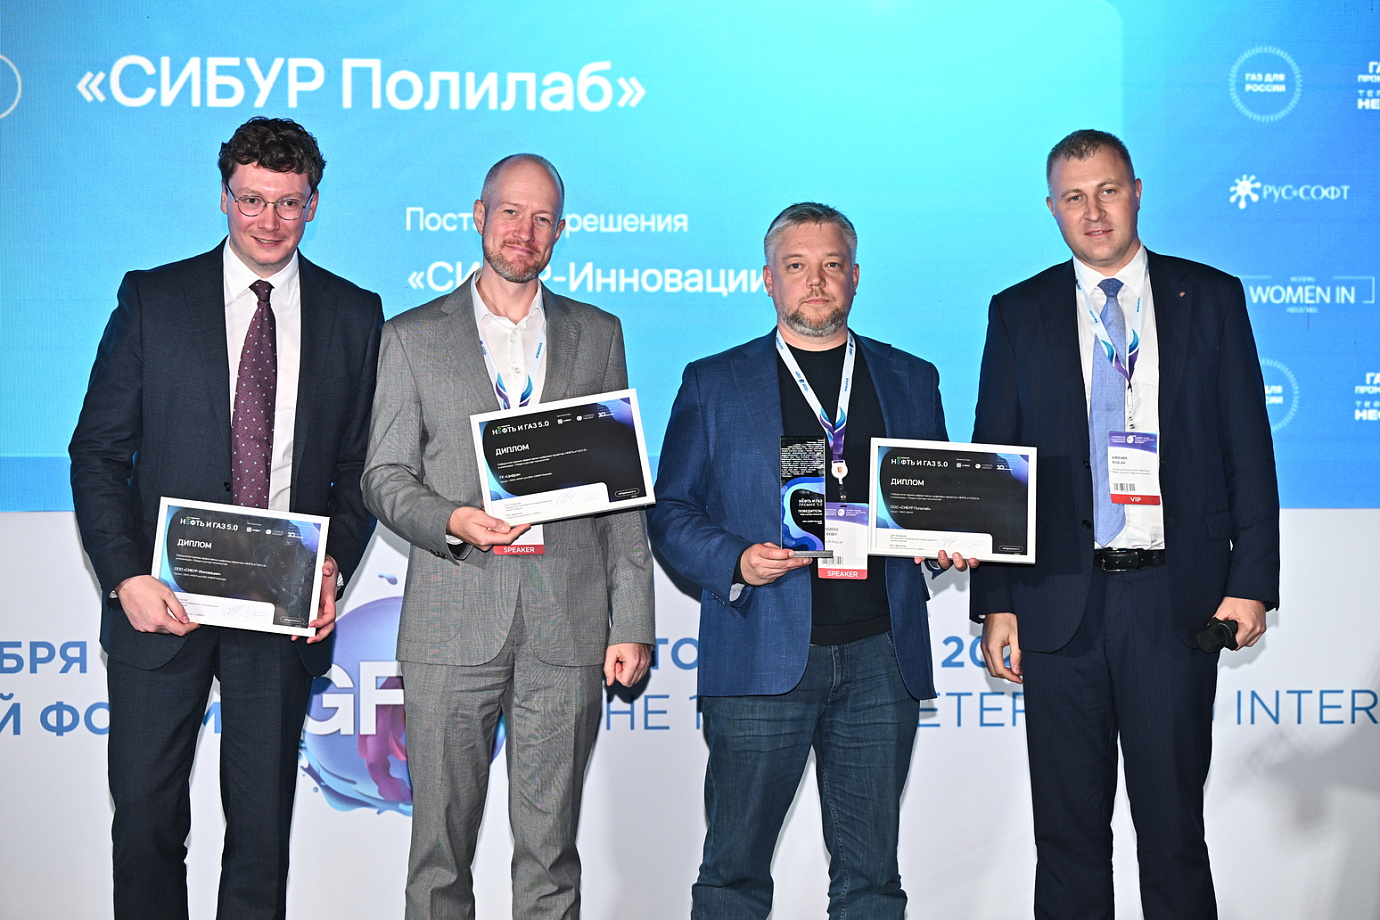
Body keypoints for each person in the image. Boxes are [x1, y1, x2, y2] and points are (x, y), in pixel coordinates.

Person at [69, 116, 383, 920]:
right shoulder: (154, 299)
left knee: (261, 836)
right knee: (145, 822)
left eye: (288, 203)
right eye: (252, 200)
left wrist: (331, 567)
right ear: (223, 198)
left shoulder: (354, 315)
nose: (269, 221)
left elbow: (359, 471)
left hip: (280, 609)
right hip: (161, 605)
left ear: (314, 204)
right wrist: (125, 578)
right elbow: (98, 452)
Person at [971, 129, 1279, 919]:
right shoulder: (1018, 311)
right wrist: (997, 602)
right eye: (1073, 197)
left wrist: (1250, 583)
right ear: (1051, 208)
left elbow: (1249, 448)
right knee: (1066, 836)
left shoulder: (1209, 297)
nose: (1093, 211)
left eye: (1107, 190)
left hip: (1174, 601)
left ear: (1136, 192)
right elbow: (998, 460)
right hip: (1057, 602)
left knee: (1173, 833)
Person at [649, 202, 972, 920]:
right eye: (796, 266)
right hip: (760, 655)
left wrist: (947, 544)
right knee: (732, 874)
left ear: (855, 277)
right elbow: (670, 512)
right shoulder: (713, 382)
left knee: (872, 881)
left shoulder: (911, 379)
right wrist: (736, 559)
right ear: (768, 279)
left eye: (831, 265)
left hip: (881, 657)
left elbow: (936, 505)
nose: (815, 281)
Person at [362, 153, 655, 919]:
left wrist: (632, 620)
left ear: (560, 230)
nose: (525, 231)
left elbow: (620, 493)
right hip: (451, 621)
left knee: (550, 857)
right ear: (479, 216)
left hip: (568, 622)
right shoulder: (411, 336)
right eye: (511, 212)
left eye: (542, 217)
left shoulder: (598, 334)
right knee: (439, 856)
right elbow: (383, 476)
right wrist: (451, 520)